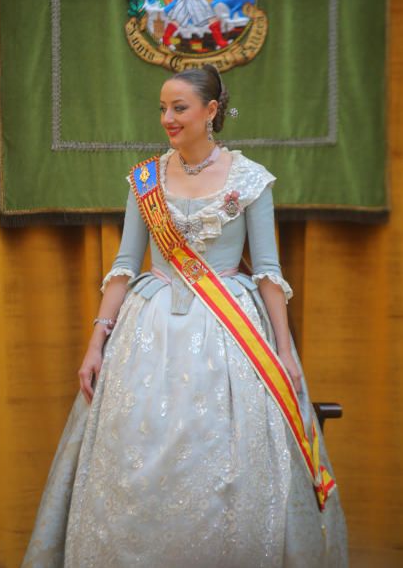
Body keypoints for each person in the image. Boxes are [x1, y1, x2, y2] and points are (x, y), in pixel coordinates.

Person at [22, 65, 348, 567]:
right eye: (163, 108)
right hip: (147, 331)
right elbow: (125, 267)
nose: (167, 118)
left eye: (179, 107)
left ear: (211, 111)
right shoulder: (145, 180)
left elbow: (267, 273)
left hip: (231, 335)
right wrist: (96, 341)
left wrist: (284, 352)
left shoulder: (249, 179)